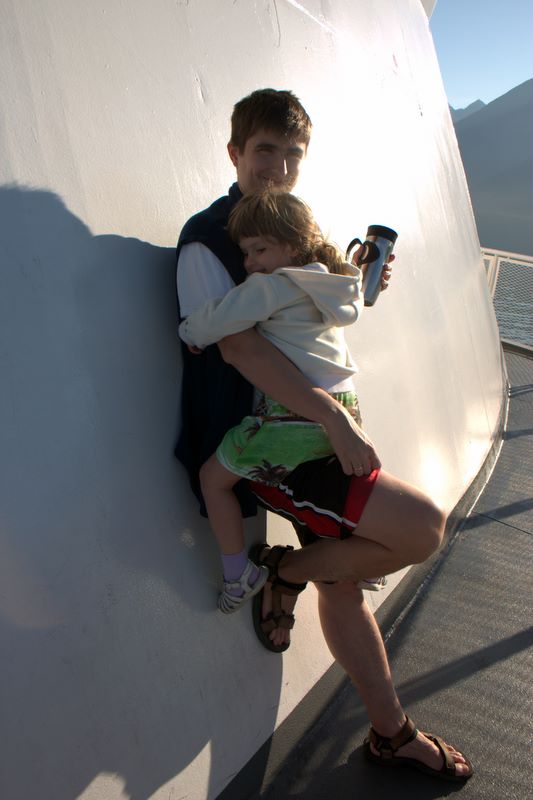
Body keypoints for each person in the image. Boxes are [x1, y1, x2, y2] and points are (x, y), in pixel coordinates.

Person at [176, 88, 472, 781]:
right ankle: (284, 572)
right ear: (234, 153)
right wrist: (335, 421)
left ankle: (389, 732)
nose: (278, 168)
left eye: (292, 154)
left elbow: (310, 316)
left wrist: (360, 287)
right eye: (264, 151)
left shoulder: (283, 229)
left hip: (310, 432)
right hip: (268, 446)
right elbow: (239, 348)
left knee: (343, 582)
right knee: (420, 529)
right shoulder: (208, 241)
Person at [179, 189, 385, 614]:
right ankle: (364, 564)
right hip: (345, 406)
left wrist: (190, 332)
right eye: (245, 253)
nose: (250, 263)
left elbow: (224, 316)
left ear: (292, 246)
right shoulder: (333, 285)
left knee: (213, 480)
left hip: (293, 416)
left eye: (259, 250)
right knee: (344, 483)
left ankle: (239, 575)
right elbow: (356, 302)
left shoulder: (274, 286)